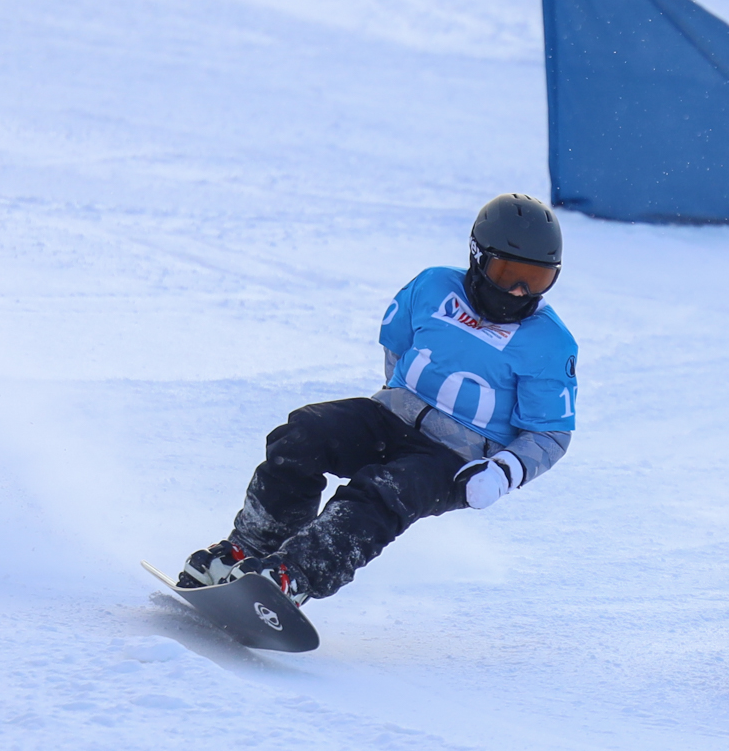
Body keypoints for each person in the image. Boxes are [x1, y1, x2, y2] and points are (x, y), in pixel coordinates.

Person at [178, 194, 578, 605]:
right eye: (507, 272)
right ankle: (253, 548)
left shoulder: (548, 343)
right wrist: (399, 407)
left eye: (537, 280)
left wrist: (500, 473)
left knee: (384, 490)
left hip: (458, 459)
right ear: (477, 257)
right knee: (304, 433)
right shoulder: (433, 287)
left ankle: (291, 576)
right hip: (393, 416)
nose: (518, 292)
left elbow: (550, 434)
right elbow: (397, 347)